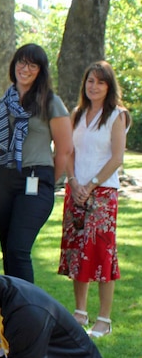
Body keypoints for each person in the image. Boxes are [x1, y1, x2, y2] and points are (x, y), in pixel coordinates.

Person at [0, 43, 72, 283]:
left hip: (36, 178)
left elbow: (64, 149)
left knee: (19, 249)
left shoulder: (50, 102)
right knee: (8, 250)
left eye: (32, 65)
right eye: (21, 62)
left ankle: (27, 309)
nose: (25, 69)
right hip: (3, 178)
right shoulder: (3, 102)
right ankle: (11, 306)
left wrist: (46, 180)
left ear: (40, 71)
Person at [59, 61, 129, 338]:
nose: (94, 86)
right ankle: (80, 313)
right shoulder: (77, 114)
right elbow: (68, 152)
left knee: (102, 254)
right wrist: (75, 182)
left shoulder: (117, 116)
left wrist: (91, 184)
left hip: (102, 194)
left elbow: (117, 158)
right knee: (77, 253)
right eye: (90, 81)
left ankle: (104, 319)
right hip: (75, 190)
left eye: (100, 82)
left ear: (109, 86)